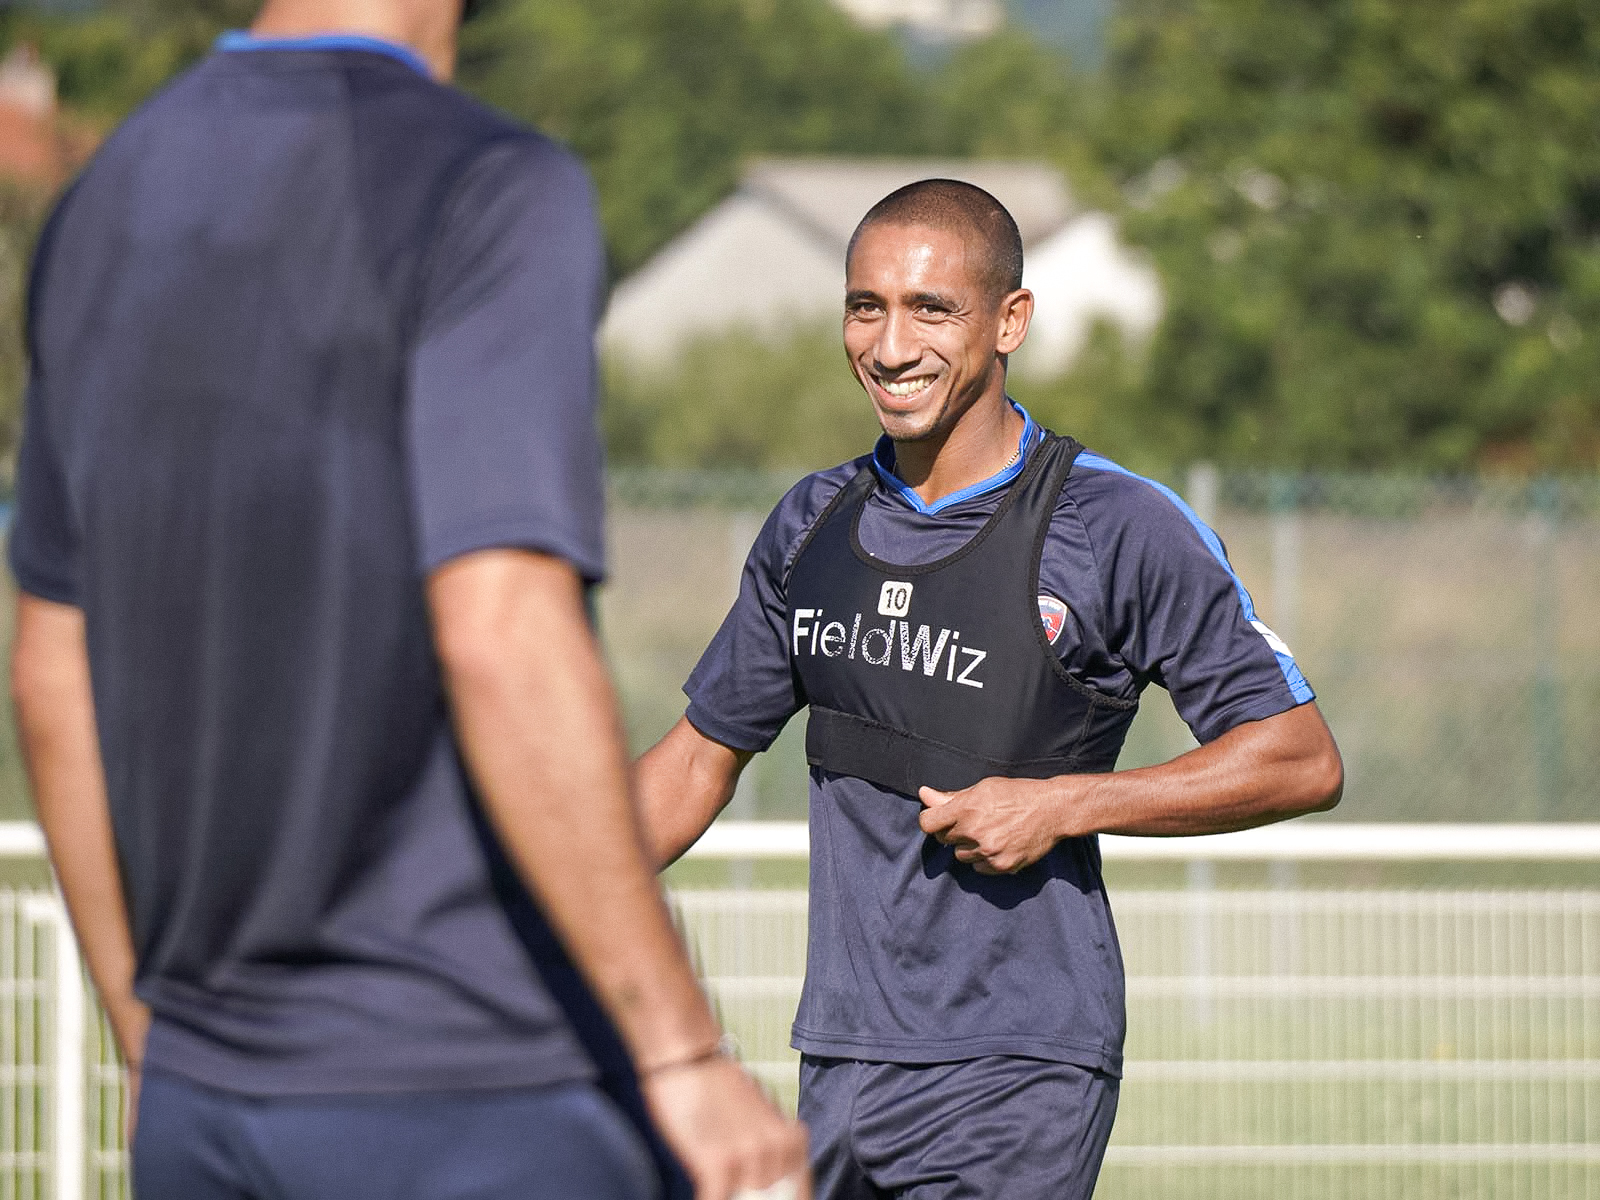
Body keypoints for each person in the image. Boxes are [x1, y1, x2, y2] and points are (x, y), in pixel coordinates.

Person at [6, 1, 808, 1197]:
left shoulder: (106, 197)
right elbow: (500, 629)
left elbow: (52, 670)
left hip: (204, 1103)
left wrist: (153, 1050)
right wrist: (679, 1052)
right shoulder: (488, 181)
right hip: (471, 1093)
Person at [635, 179, 1344, 1200]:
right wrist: (516, 903)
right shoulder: (810, 527)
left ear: (1009, 320)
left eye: (932, 308)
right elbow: (694, 764)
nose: (888, 345)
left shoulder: (1117, 527)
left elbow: (1299, 758)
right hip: (840, 1059)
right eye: (864, 305)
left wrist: (1061, 806)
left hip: (1020, 1065)